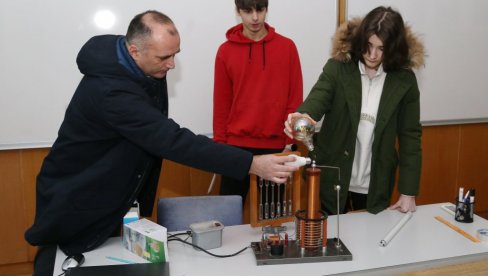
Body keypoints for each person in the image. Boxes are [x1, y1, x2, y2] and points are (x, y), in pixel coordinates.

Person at [25, 10, 297, 276]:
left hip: (111, 197)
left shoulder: (145, 66)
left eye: (175, 54)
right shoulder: (111, 92)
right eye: (165, 57)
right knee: (62, 262)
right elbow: (170, 139)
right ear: (134, 51)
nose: (172, 64)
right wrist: (251, 162)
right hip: (78, 200)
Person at [284, 6, 425, 215]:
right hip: (333, 177)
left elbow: (410, 137)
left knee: (369, 243)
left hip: (375, 183)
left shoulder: (404, 80)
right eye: (368, 45)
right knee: (327, 242)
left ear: (393, 48)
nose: (372, 54)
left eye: (381, 48)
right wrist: (303, 117)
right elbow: (317, 99)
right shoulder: (338, 68)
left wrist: (408, 192)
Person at [213, 0, 303, 204]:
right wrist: (219, 149)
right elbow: (221, 104)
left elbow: (294, 98)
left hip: (276, 147)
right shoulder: (225, 51)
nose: (254, 17)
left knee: (272, 220)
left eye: (260, 10)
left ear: (266, 10)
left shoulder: (287, 47)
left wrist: (290, 143)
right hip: (234, 148)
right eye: (247, 11)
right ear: (238, 11)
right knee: (227, 216)